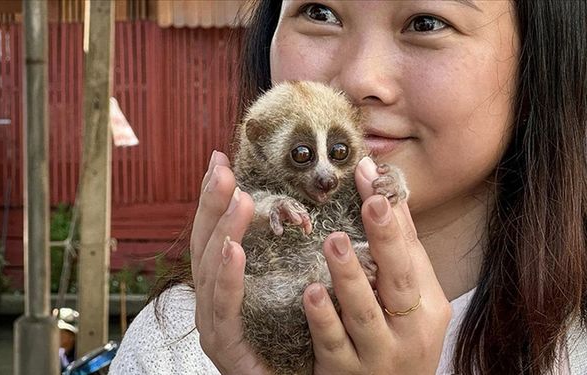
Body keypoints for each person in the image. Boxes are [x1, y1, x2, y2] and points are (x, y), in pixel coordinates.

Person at [110, 1, 587, 374]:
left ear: (541, 61)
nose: (360, 81)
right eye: (319, 12)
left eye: (426, 22)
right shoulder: (180, 340)